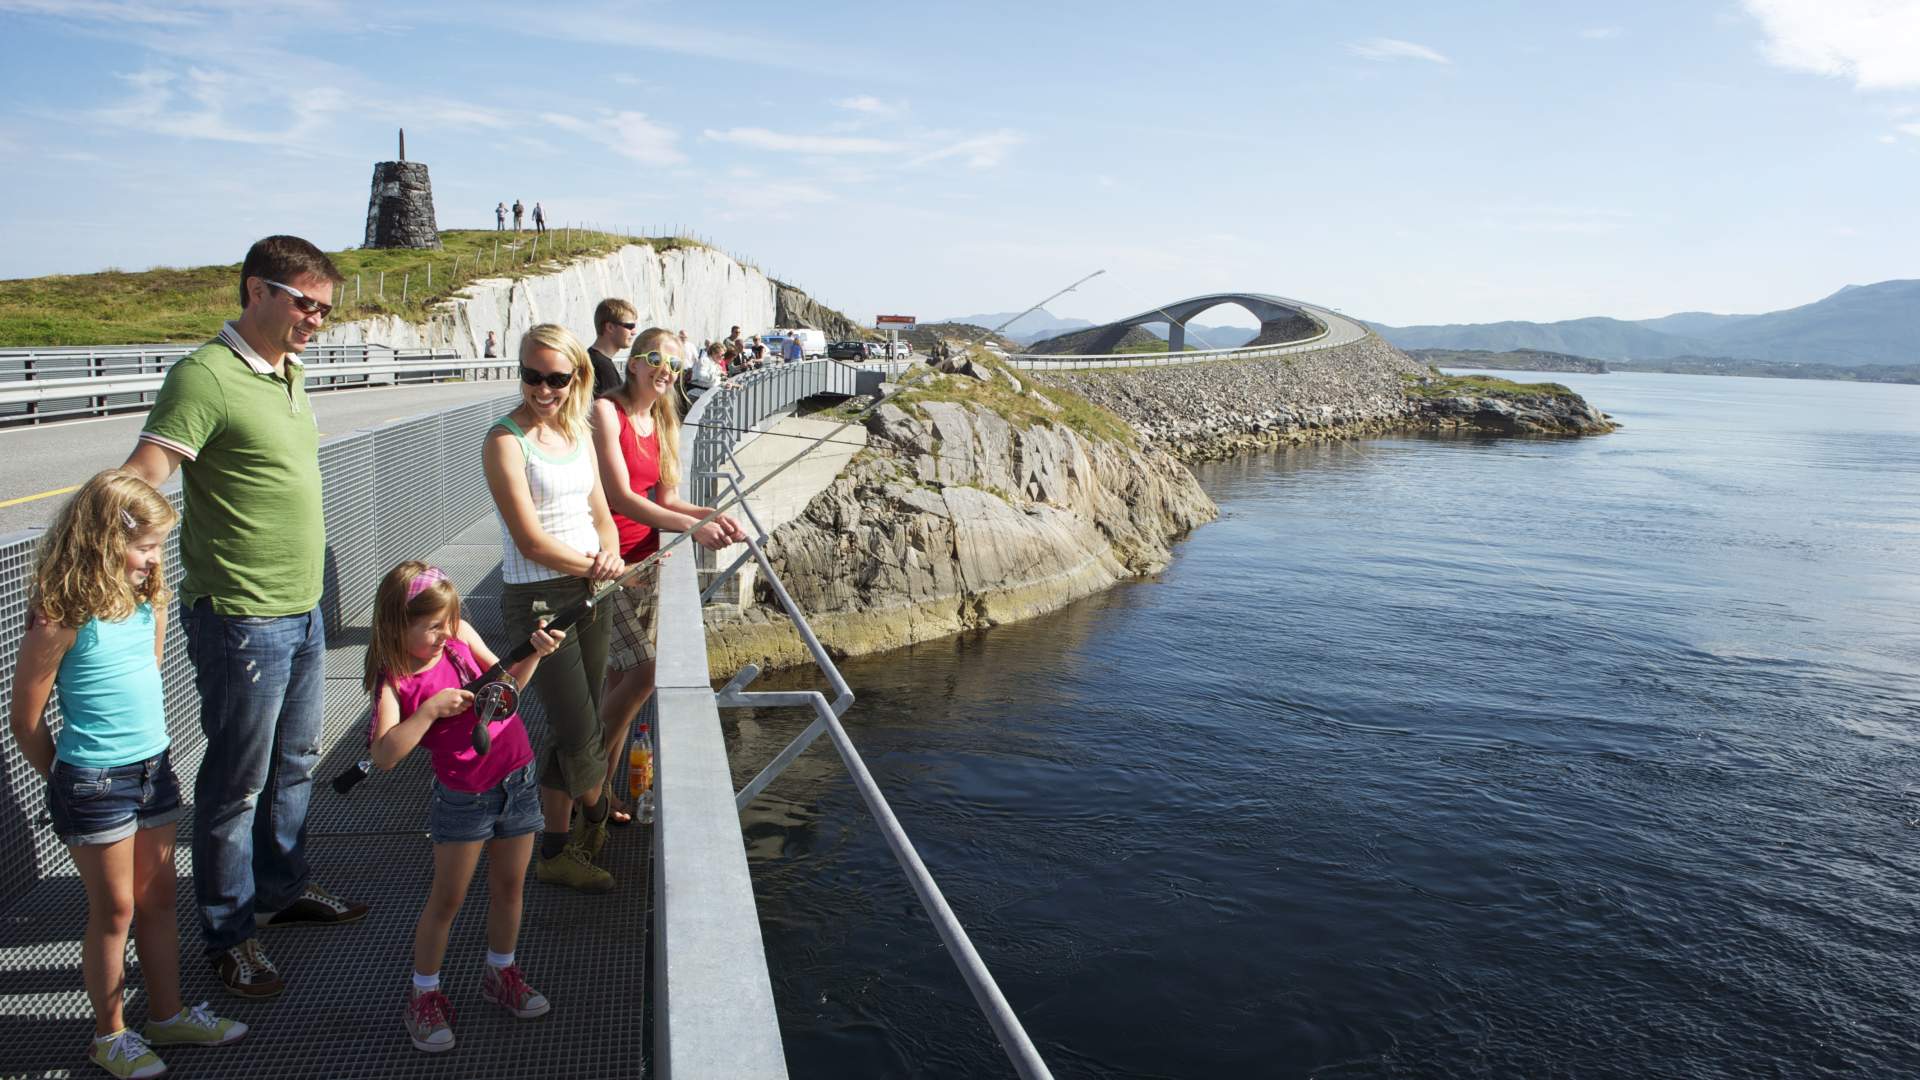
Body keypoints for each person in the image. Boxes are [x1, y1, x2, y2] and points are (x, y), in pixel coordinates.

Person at [123, 235, 367, 1000]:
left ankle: (282, 888)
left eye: (325, 309)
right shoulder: (205, 377)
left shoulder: (289, 372)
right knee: (234, 785)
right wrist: (117, 565)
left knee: (295, 763)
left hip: (300, 610)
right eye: (305, 303)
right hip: (240, 617)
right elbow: (145, 477)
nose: (316, 321)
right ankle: (229, 936)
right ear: (256, 291)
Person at [8, 471, 248, 1079]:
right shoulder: (58, 614)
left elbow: (149, 672)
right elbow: (26, 719)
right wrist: (65, 774)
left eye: (158, 547)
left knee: (159, 896)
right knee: (114, 908)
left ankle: (165, 1014)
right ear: (101, 540)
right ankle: (109, 1034)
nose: (152, 559)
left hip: (153, 768)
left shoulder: (149, 599)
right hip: (93, 778)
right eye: (143, 547)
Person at [363, 562, 564, 1053]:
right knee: (448, 899)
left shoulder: (459, 636)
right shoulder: (395, 679)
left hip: (516, 777)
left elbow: (508, 688)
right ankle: (424, 996)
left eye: (446, 622)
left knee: (510, 886)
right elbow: (385, 754)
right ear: (395, 624)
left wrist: (534, 654)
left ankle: (501, 973)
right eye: (431, 626)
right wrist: (429, 711)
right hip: (464, 799)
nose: (442, 634)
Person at [482, 323, 626, 892]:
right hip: (542, 599)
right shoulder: (503, 441)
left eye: (556, 378)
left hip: (593, 590)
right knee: (579, 730)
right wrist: (592, 566)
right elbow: (529, 541)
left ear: (576, 378)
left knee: (580, 723)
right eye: (531, 376)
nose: (543, 389)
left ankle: (558, 850)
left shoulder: (578, 434)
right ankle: (596, 817)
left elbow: (602, 514)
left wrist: (610, 555)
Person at [589, 331, 742, 823]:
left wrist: (713, 514)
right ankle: (582, 781)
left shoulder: (663, 420)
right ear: (634, 364)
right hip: (608, 563)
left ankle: (602, 792)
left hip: (647, 564)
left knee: (622, 685)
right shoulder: (605, 414)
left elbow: (668, 501)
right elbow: (621, 498)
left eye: (674, 366)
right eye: (656, 359)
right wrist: (696, 528)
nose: (666, 371)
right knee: (644, 675)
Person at [587, 298, 637, 398]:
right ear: (610, 327)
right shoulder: (603, 368)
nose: (634, 332)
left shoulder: (591, 358)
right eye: (630, 326)